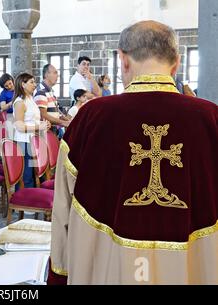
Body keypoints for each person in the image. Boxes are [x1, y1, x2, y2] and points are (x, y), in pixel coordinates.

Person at [48, 20, 217, 285]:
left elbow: (62, 210)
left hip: (109, 272)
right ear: (177, 63)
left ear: (123, 60)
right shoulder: (211, 119)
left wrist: (58, 275)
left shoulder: (90, 119)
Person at [13, 73, 50, 188]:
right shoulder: (20, 102)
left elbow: (33, 120)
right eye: (31, 82)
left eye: (35, 82)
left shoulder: (30, 99)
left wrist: (44, 124)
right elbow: (19, 126)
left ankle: (32, 201)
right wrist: (39, 127)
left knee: (34, 176)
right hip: (23, 142)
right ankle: (22, 203)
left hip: (32, 141)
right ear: (23, 84)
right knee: (26, 176)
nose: (35, 85)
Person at [34, 64, 70, 136]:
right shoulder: (41, 91)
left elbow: (56, 111)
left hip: (53, 129)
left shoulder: (50, 91)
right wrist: (63, 122)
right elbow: (43, 115)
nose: (58, 76)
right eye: (55, 73)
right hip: (45, 131)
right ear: (47, 74)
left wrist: (67, 120)